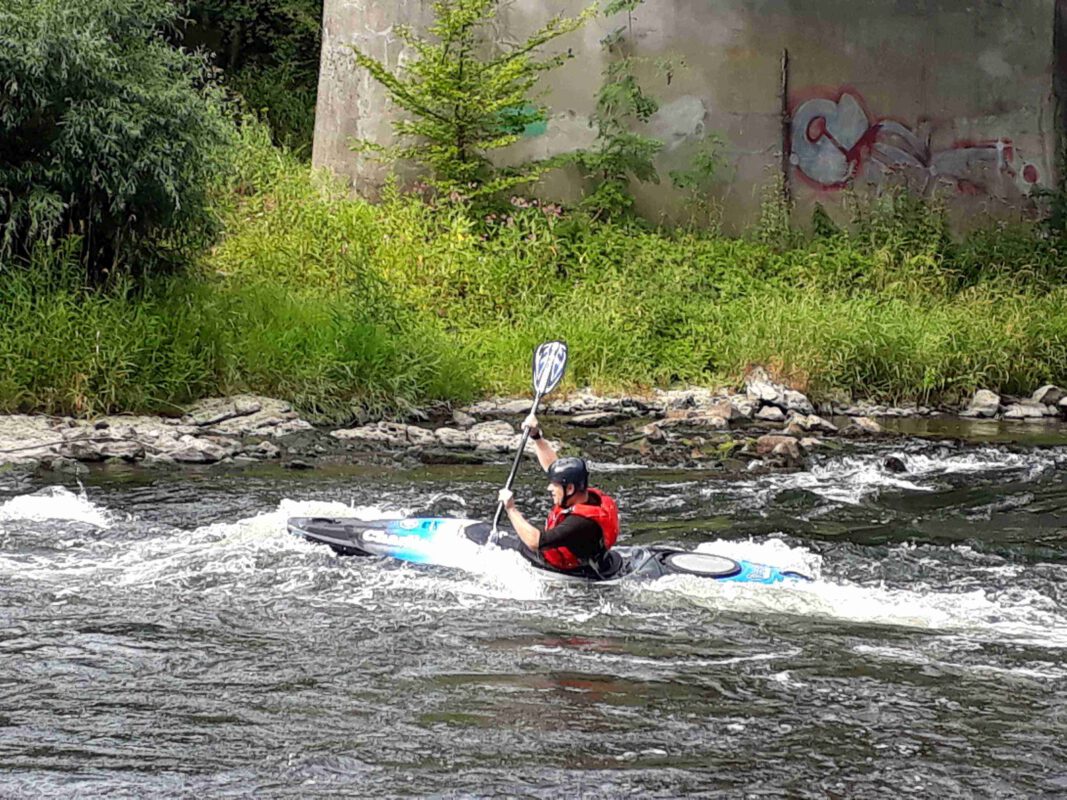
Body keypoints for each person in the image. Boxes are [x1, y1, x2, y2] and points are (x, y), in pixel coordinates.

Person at [497, 412, 620, 572]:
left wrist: (511, 509)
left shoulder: (578, 524)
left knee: (519, 544)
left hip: (570, 568)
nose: (549, 488)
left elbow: (535, 542)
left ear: (569, 488)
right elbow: (553, 466)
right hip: (594, 558)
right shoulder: (582, 495)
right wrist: (536, 436)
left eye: (554, 485)